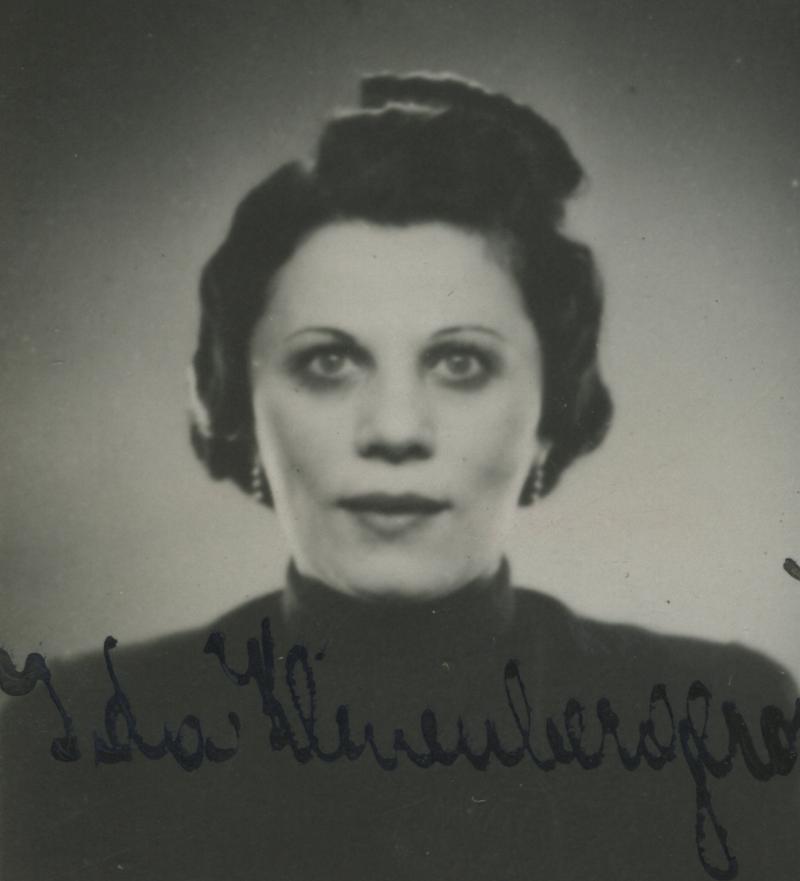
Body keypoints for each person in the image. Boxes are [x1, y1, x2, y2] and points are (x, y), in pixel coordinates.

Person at [1, 72, 797, 881]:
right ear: (240, 408)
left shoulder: (723, 722)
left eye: (461, 362)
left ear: (550, 414)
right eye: (328, 361)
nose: (394, 430)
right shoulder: (73, 737)